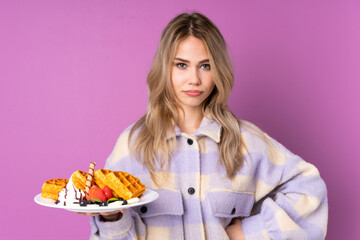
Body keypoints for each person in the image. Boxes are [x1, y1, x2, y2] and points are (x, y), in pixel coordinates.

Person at [88, 12, 328, 240]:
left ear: (218, 70)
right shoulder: (132, 146)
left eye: (205, 65)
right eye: (181, 65)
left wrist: (248, 232)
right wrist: (111, 217)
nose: (194, 78)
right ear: (165, 68)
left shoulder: (246, 142)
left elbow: (310, 190)